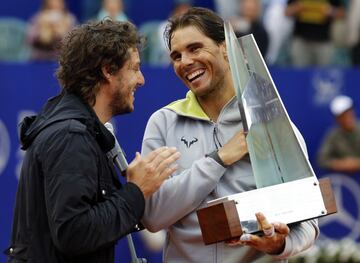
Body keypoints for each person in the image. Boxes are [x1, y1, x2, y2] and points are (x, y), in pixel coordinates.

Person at [141, 7, 319, 263]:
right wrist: (218, 159)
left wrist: (280, 243)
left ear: (225, 47)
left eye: (195, 48)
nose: (185, 62)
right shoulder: (163, 122)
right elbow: (153, 216)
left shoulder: (271, 122)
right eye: (176, 56)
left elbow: (309, 219)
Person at [5, 19, 180, 263]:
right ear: (108, 70)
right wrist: (135, 192)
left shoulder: (73, 129)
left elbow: (86, 224)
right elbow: (74, 233)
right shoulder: (70, 136)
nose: (141, 79)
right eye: (134, 68)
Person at [285, 0, 345, 67]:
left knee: (323, 75)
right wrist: (298, 8)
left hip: (324, 42)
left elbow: (342, 14)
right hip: (301, 41)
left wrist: (331, 11)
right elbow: (287, 12)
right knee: (300, 74)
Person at [317, 95, 360, 173]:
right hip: (345, 181)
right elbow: (321, 160)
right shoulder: (332, 135)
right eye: (342, 116)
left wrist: (356, 163)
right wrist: (340, 164)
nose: (347, 118)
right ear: (337, 119)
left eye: (349, 113)